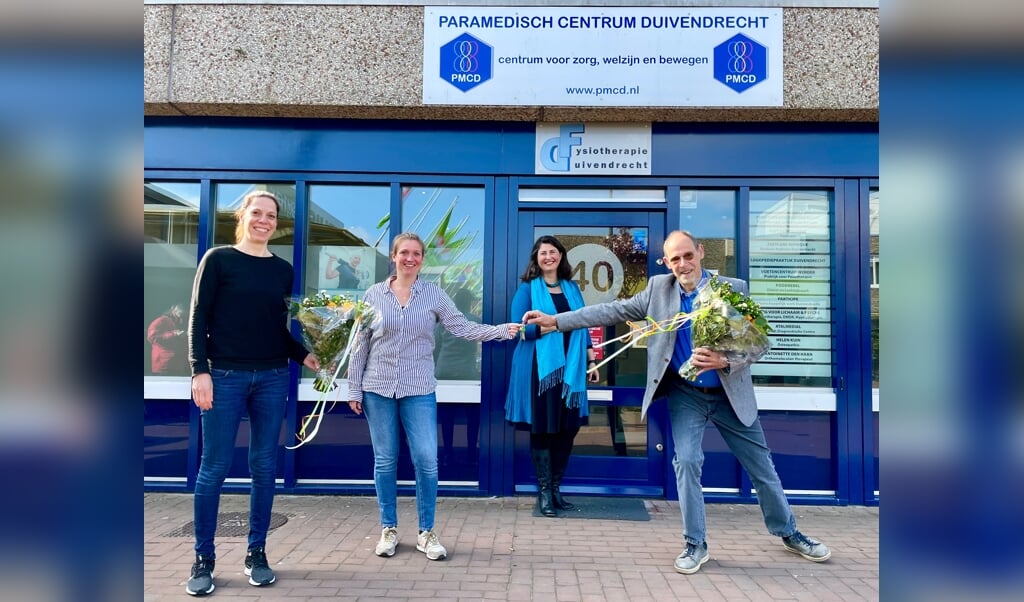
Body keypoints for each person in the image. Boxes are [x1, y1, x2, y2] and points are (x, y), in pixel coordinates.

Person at [524, 230, 831, 574]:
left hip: (730, 395)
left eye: (688, 255)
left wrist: (725, 360)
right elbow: (611, 310)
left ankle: (789, 532)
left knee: (762, 468)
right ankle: (695, 543)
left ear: (700, 252)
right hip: (687, 395)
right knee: (685, 462)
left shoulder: (732, 290)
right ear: (666, 263)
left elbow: (759, 344)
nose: (683, 264)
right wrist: (557, 321)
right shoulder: (659, 290)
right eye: (675, 259)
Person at [347, 232, 520, 561]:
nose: (410, 259)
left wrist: (501, 330)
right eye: (404, 253)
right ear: (394, 257)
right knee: (385, 461)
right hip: (377, 388)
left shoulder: (433, 295)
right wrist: (353, 387)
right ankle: (389, 529)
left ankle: (426, 532)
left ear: (422, 260)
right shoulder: (373, 295)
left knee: (426, 460)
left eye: (416, 254)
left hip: (418, 389)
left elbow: (462, 327)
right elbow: (360, 344)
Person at [185, 190, 320, 596]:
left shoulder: (282, 271)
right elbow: (198, 317)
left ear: (277, 223)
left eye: (271, 215)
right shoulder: (218, 259)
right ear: (242, 216)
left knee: (263, 466)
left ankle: (256, 551)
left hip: (273, 376)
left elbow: (276, 329)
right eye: (257, 213)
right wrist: (199, 371)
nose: (264, 220)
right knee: (215, 467)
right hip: (223, 376)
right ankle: (203, 557)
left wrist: (306, 356)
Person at [505, 236, 598, 517]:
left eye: (553, 252)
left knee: (569, 428)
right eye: (543, 253)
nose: (548, 257)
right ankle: (544, 493)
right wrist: (555, 327)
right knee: (544, 428)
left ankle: (557, 488)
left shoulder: (572, 288)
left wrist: (592, 362)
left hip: (572, 368)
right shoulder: (527, 290)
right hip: (539, 369)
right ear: (536, 258)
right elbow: (519, 330)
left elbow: (584, 323)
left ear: (561, 256)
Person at [147, 303, 187, 374]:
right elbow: (152, 337)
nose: (182, 314)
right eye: (181, 312)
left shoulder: (179, 322)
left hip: (176, 366)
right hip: (163, 367)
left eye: (184, 313)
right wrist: (174, 334)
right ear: (173, 309)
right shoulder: (161, 320)